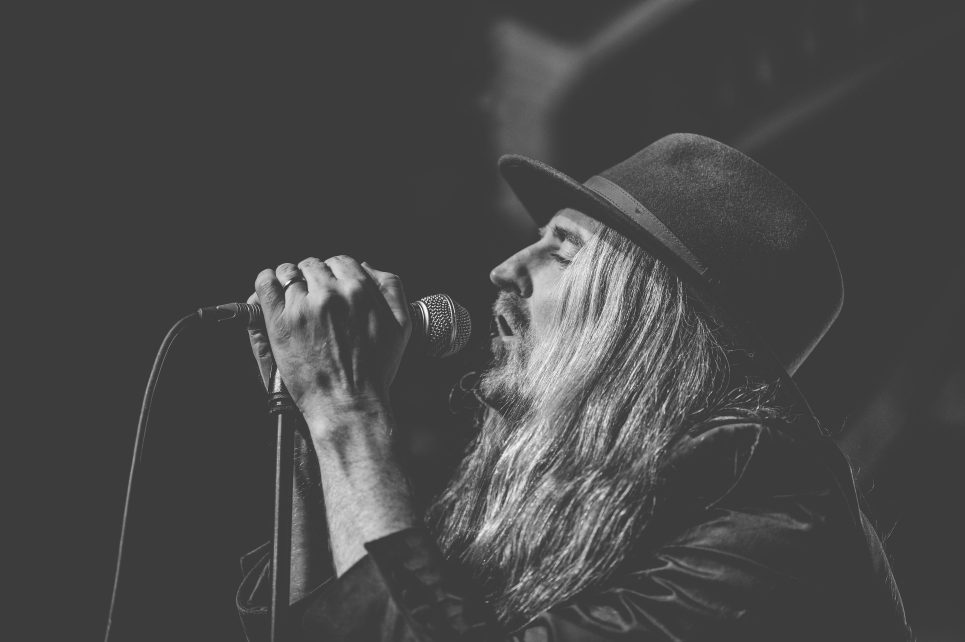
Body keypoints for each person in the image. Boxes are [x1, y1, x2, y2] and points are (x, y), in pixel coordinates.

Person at [236, 134, 912, 641]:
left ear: (648, 319)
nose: (505, 268)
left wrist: (348, 410)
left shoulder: (769, 509)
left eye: (559, 250)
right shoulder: (585, 502)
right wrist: (306, 419)